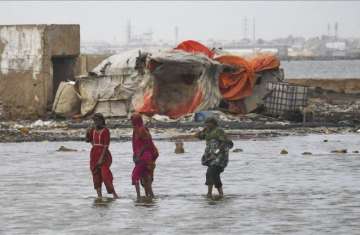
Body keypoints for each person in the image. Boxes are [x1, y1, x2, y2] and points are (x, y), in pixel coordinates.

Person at [195, 117, 233, 199]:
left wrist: (216, 153)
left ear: (214, 123)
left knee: (212, 172)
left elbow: (224, 143)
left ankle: (215, 194)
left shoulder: (219, 131)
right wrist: (202, 131)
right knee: (212, 174)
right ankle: (215, 194)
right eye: (206, 123)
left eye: (209, 123)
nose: (207, 125)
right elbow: (198, 136)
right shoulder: (207, 131)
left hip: (221, 155)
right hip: (211, 156)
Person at [86, 113, 119, 199]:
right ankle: (99, 196)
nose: (96, 122)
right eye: (94, 121)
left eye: (97, 120)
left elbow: (106, 145)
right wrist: (87, 132)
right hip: (94, 155)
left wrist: (101, 158)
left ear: (101, 121)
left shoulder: (106, 131)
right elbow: (88, 140)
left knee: (106, 175)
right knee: (96, 175)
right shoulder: (93, 130)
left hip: (104, 156)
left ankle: (114, 194)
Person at [131, 113, 159, 201]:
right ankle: (150, 198)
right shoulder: (135, 130)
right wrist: (136, 155)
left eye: (132, 120)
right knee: (146, 179)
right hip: (142, 157)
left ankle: (139, 197)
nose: (131, 122)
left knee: (135, 176)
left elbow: (147, 144)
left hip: (145, 157)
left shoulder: (142, 130)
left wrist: (139, 154)